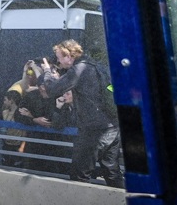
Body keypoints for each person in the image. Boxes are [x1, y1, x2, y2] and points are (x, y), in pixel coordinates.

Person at [40, 39, 123, 187]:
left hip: (93, 130)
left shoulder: (79, 70)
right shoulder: (97, 66)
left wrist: (47, 72)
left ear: (69, 56)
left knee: (79, 175)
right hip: (112, 127)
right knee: (112, 173)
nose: (59, 62)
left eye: (59, 58)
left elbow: (52, 90)